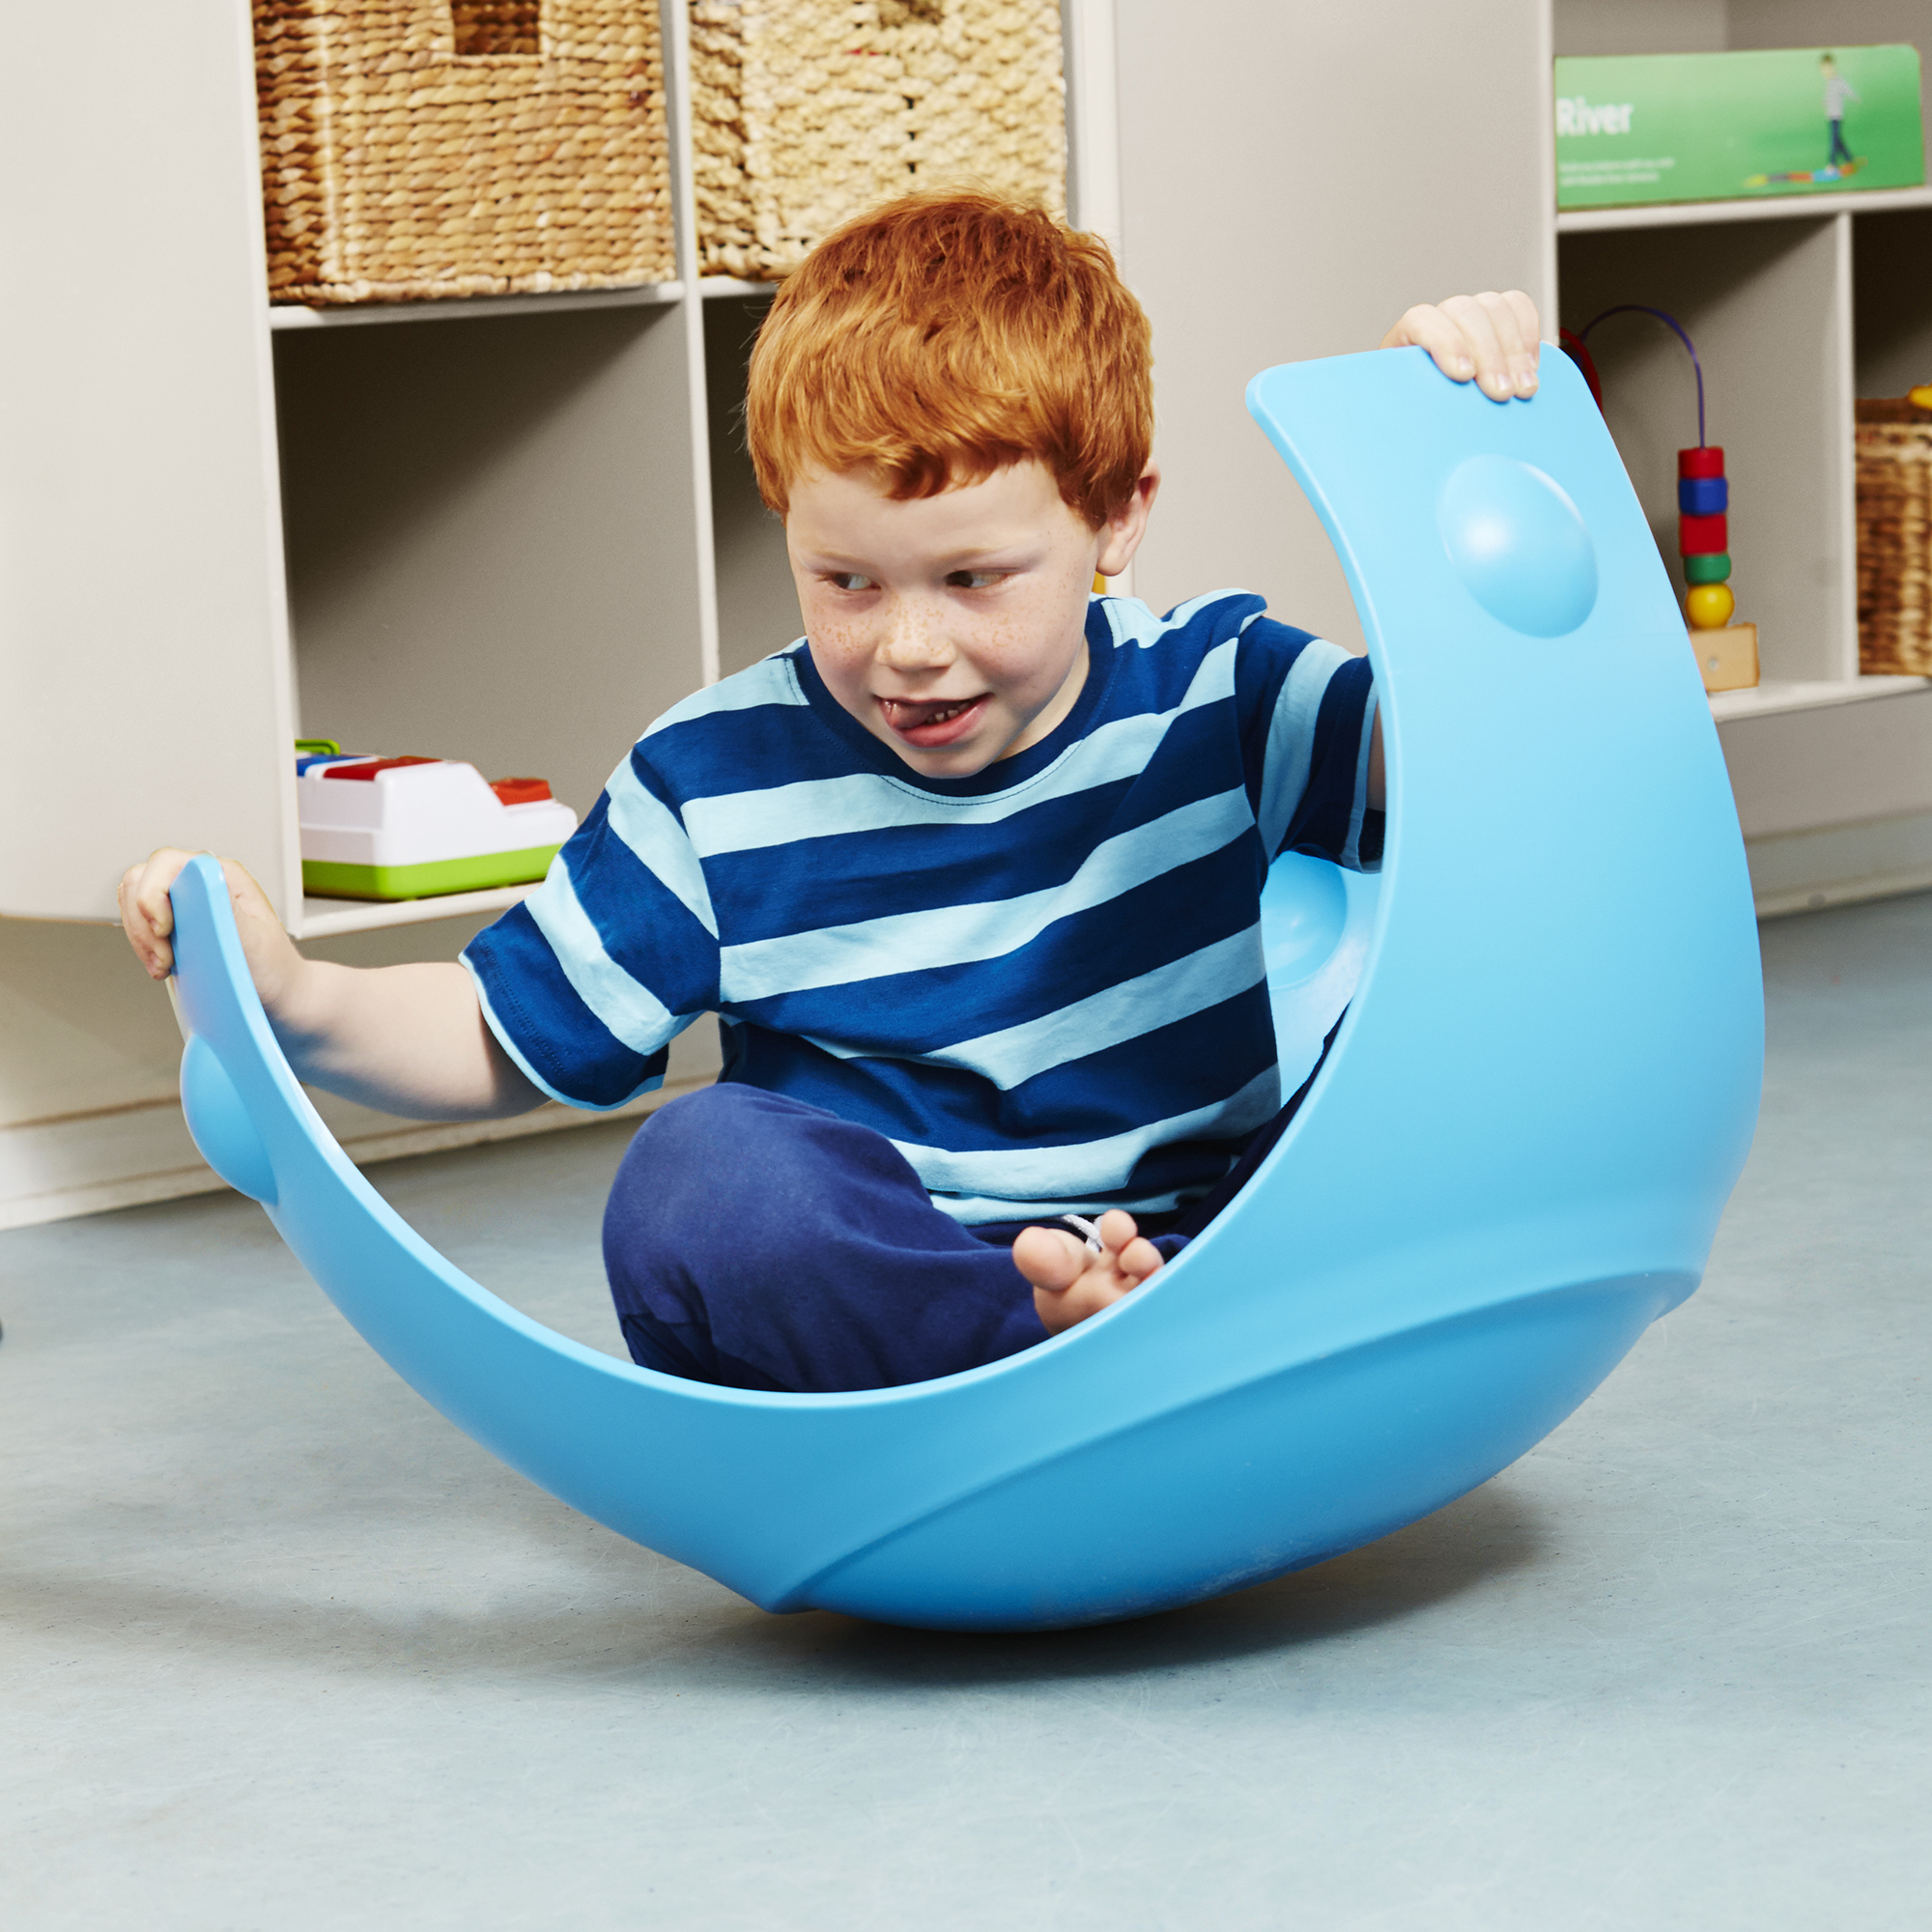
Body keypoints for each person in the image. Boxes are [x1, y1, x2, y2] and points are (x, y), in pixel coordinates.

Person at [121, 192, 1541, 1395]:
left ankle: (1151, 1321)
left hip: (1223, 1242)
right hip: (891, 1296)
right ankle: (1033, 1349)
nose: (908, 647)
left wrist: (1436, 453)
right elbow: (505, 1032)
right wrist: (294, 999)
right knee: (698, 1174)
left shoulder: (1222, 689)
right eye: (845, 580)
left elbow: (1501, 774)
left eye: (973, 579)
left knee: (1460, 1027)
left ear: (1116, 516)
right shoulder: (713, 777)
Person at [1822, 52, 1860, 171]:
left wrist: (1855, 97)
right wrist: (1825, 101)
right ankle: (1849, 158)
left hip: (1837, 115)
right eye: (1824, 69)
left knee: (1833, 140)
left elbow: (1847, 89)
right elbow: (1829, 95)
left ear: (1833, 66)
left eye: (1828, 68)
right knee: (1838, 140)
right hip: (1830, 115)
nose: (1826, 71)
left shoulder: (1838, 80)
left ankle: (1832, 163)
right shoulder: (1829, 81)